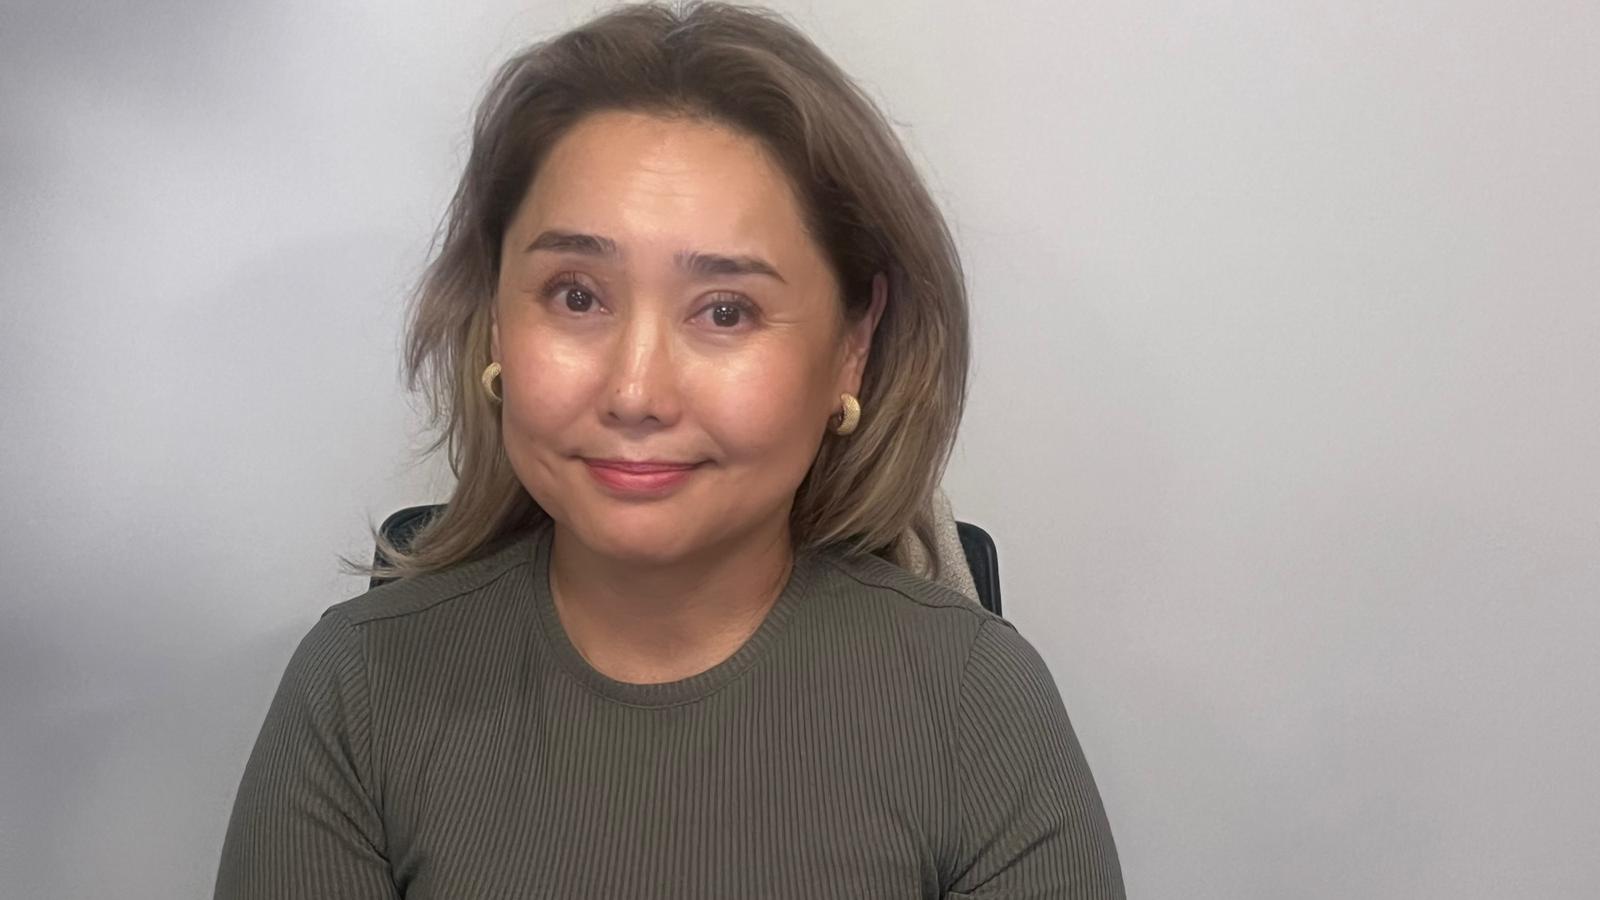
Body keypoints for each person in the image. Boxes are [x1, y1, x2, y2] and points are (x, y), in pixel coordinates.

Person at [214, 2, 1125, 897]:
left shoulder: (978, 707)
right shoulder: (358, 692)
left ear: (853, 345)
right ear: (494, 319)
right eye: (576, 296)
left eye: (725, 311)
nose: (636, 392)